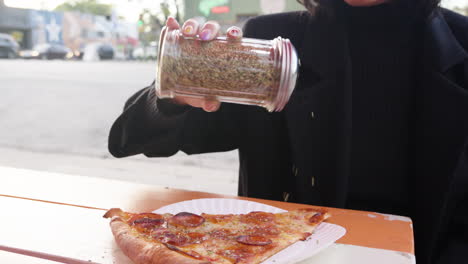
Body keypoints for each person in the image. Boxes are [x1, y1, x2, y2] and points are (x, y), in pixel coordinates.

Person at [108, 0, 468, 263]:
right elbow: (132, 137)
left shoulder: (461, 45)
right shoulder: (270, 43)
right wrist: (178, 90)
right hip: (278, 251)